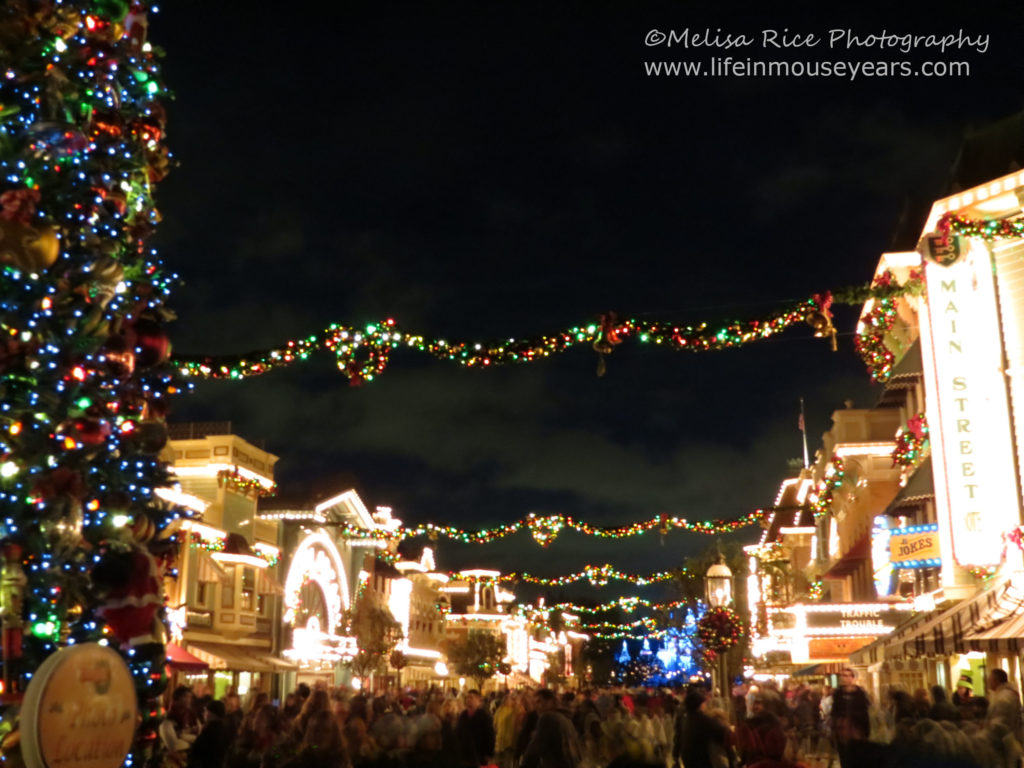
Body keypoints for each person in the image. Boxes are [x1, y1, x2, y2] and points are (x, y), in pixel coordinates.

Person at [519, 688, 582, 768]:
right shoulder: (565, 718)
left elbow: (535, 749)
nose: (536, 706)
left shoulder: (548, 717)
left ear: (550, 701)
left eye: (539, 701)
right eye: (535, 703)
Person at [678, 686, 735, 768]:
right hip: (702, 762)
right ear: (700, 705)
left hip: (689, 762)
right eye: (704, 703)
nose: (705, 705)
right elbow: (724, 734)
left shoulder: (686, 719)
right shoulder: (702, 720)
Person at [830, 668, 871, 768]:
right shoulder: (838, 693)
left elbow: (865, 711)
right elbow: (834, 711)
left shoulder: (860, 693)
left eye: (849, 675)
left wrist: (865, 730)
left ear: (853, 678)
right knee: (844, 755)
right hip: (842, 730)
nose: (846, 678)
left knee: (858, 755)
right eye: (844, 675)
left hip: (857, 729)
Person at [454, 689, 496, 767]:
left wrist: (488, 753)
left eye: (471, 697)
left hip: (479, 754)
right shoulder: (463, 716)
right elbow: (458, 734)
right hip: (465, 755)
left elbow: (490, 735)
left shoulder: (484, 716)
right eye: (467, 697)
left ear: (478, 700)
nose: (468, 700)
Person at [188, 700, 230, 768]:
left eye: (206, 711)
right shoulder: (224, 727)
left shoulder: (210, 730)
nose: (203, 713)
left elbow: (196, 751)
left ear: (211, 713)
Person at [986, 668, 1022, 740]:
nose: (988, 682)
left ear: (996, 680)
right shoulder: (1001, 695)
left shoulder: (1004, 698)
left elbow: (1000, 724)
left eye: (990, 679)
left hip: (1006, 741)